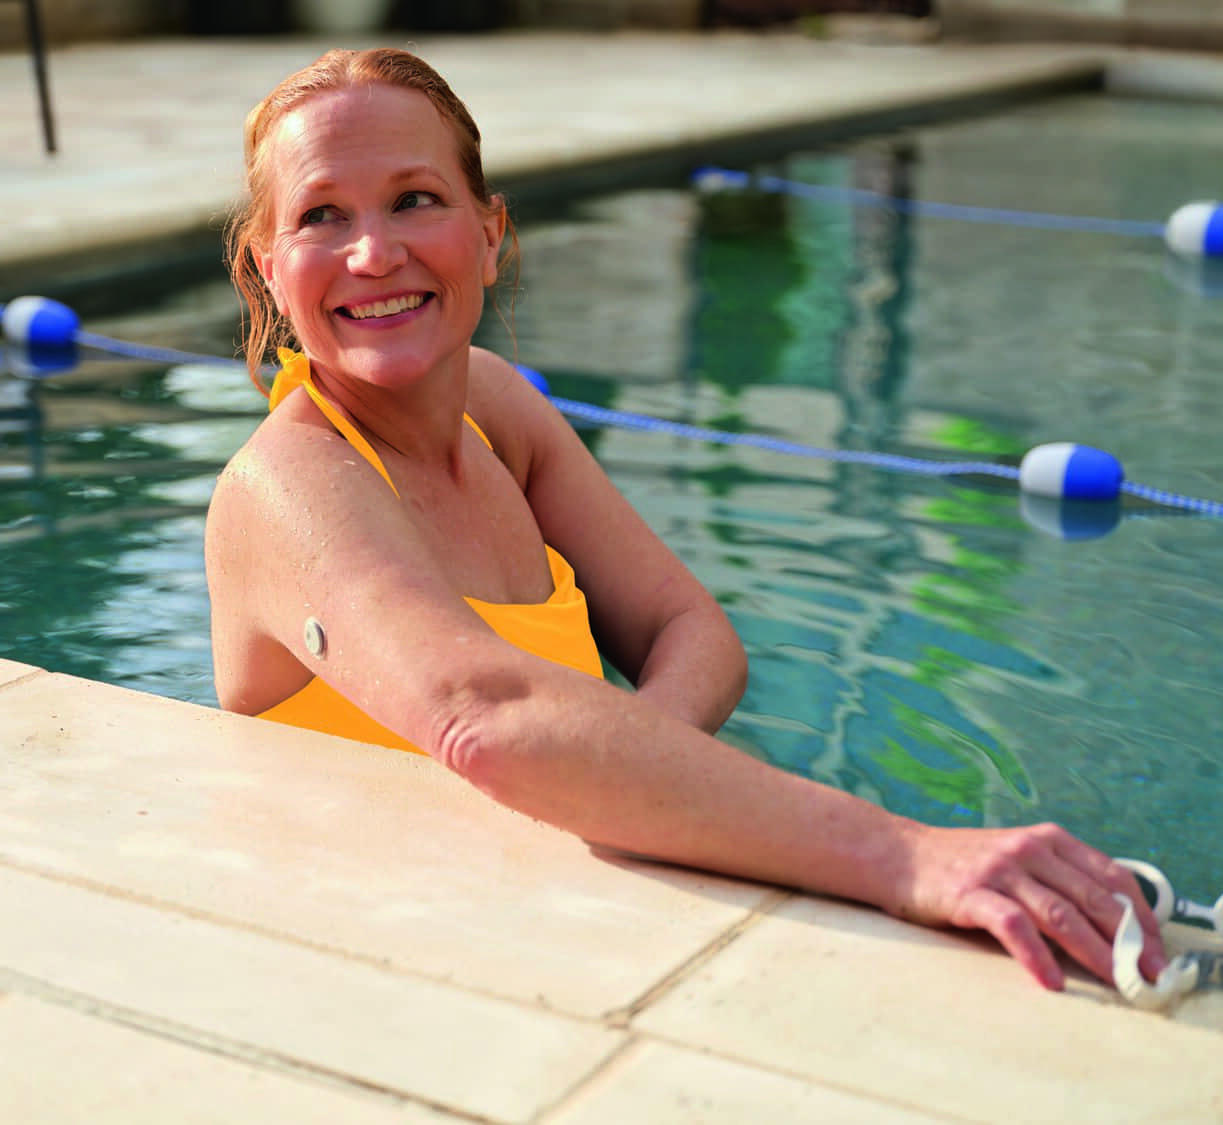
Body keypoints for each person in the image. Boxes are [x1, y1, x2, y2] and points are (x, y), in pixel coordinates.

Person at [204, 46, 1166, 993]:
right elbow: (485, 721)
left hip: (560, 910)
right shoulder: (288, 482)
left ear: (490, 234)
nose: (374, 252)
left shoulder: (496, 410)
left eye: (415, 198)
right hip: (380, 963)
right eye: (322, 216)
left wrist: (626, 779)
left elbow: (692, 629)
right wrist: (909, 856)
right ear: (269, 267)